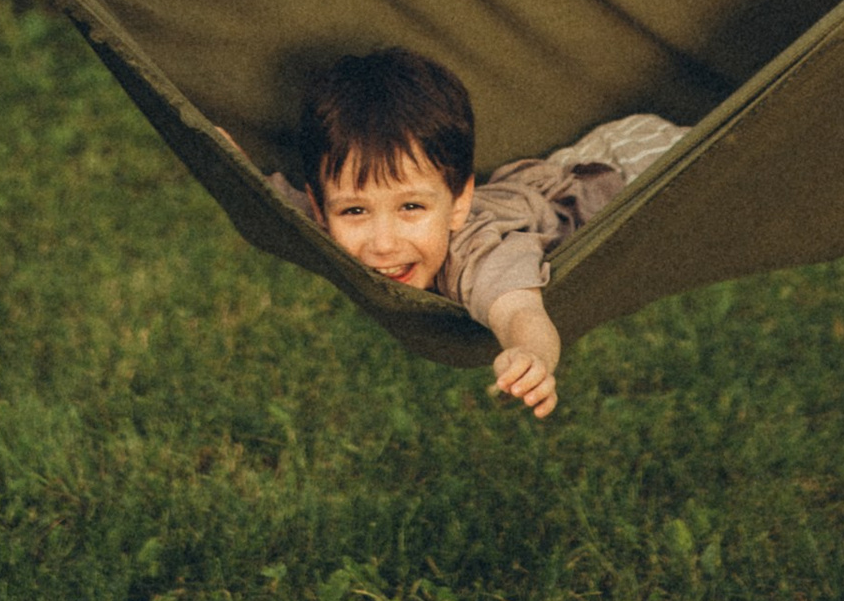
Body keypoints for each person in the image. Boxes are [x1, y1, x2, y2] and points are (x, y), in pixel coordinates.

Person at [282, 45, 680, 418]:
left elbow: (521, 311)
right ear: (322, 210)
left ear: (459, 203)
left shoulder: (476, 255)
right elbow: (276, 197)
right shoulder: (321, 215)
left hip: (637, 165)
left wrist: (529, 354)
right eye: (355, 210)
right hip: (562, 170)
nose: (383, 243)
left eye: (411, 207)